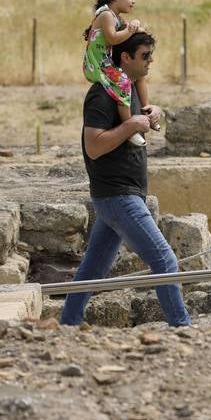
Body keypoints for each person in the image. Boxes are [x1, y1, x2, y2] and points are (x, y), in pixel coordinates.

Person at [61, 30, 191, 328]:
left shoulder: (128, 89)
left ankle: (67, 327)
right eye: (145, 56)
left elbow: (140, 123)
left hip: (121, 195)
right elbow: (94, 146)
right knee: (165, 261)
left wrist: (153, 112)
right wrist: (132, 124)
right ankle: (183, 330)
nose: (150, 61)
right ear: (125, 57)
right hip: (117, 195)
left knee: (91, 271)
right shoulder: (102, 94)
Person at [82, 0, 149, 146]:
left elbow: (133, 31)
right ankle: (130, 129)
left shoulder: (116, 18)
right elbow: (112, 38)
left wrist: (135, 25)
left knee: (137, 74)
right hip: (96, 65)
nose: (133, 1)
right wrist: (130, 30)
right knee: (124, 82)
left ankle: (146, 108)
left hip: (105, 63)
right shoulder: (105, 15)